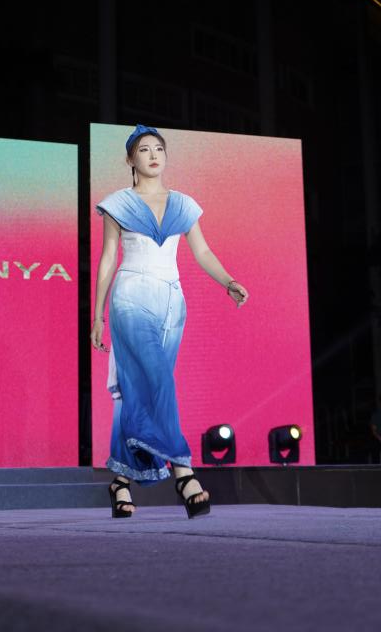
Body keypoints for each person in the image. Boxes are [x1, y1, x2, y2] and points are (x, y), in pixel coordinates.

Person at [90, 124, 249, 518]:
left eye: (159, 149)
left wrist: (228, 281)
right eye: (144, 149)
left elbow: (202, 251)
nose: (153, 155)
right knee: (159, 381)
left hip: (172, 304)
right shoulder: (118, 204)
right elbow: (108, 258)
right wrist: (98, 314)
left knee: (137, 391)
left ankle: (120, 482)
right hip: (130, 297)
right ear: (131, 159)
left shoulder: (183, 204)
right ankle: (184, 472)